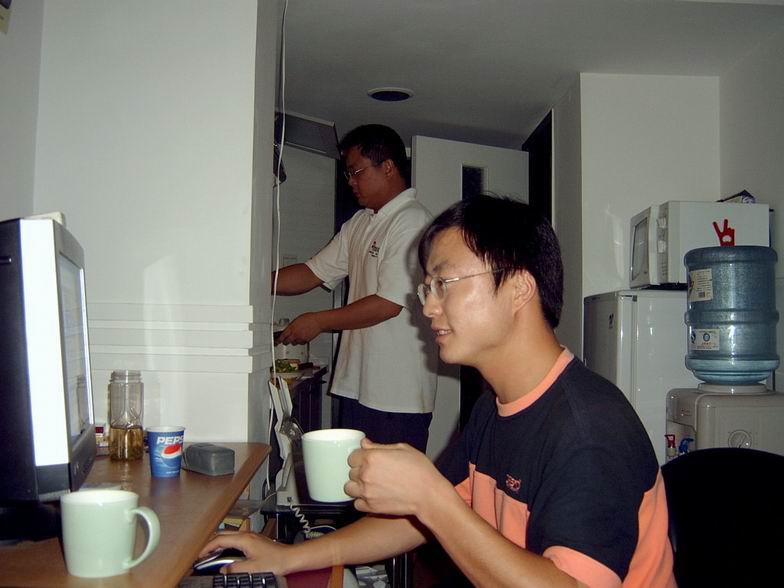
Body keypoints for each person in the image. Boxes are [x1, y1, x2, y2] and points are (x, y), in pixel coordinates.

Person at [204, 195, 676, 587]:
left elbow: (439, 509)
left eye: (444, 283)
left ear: (519, 288)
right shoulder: (494, 408)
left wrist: (432, 498)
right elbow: (416, 520)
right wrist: (290, 557)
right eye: (426, 288)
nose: (427, 306)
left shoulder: (590, 430)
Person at [272, 124, 437, 452]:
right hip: (357, 385)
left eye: (356, 172)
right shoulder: (361, 223)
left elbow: (388, 304)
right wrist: (254, 284)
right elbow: (311, 272)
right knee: (356, 480)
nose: (350, 182)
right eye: (348, 173)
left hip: (396, 396)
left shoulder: (411, 220)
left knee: (390, 485)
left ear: (387, 167)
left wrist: (318, 321)